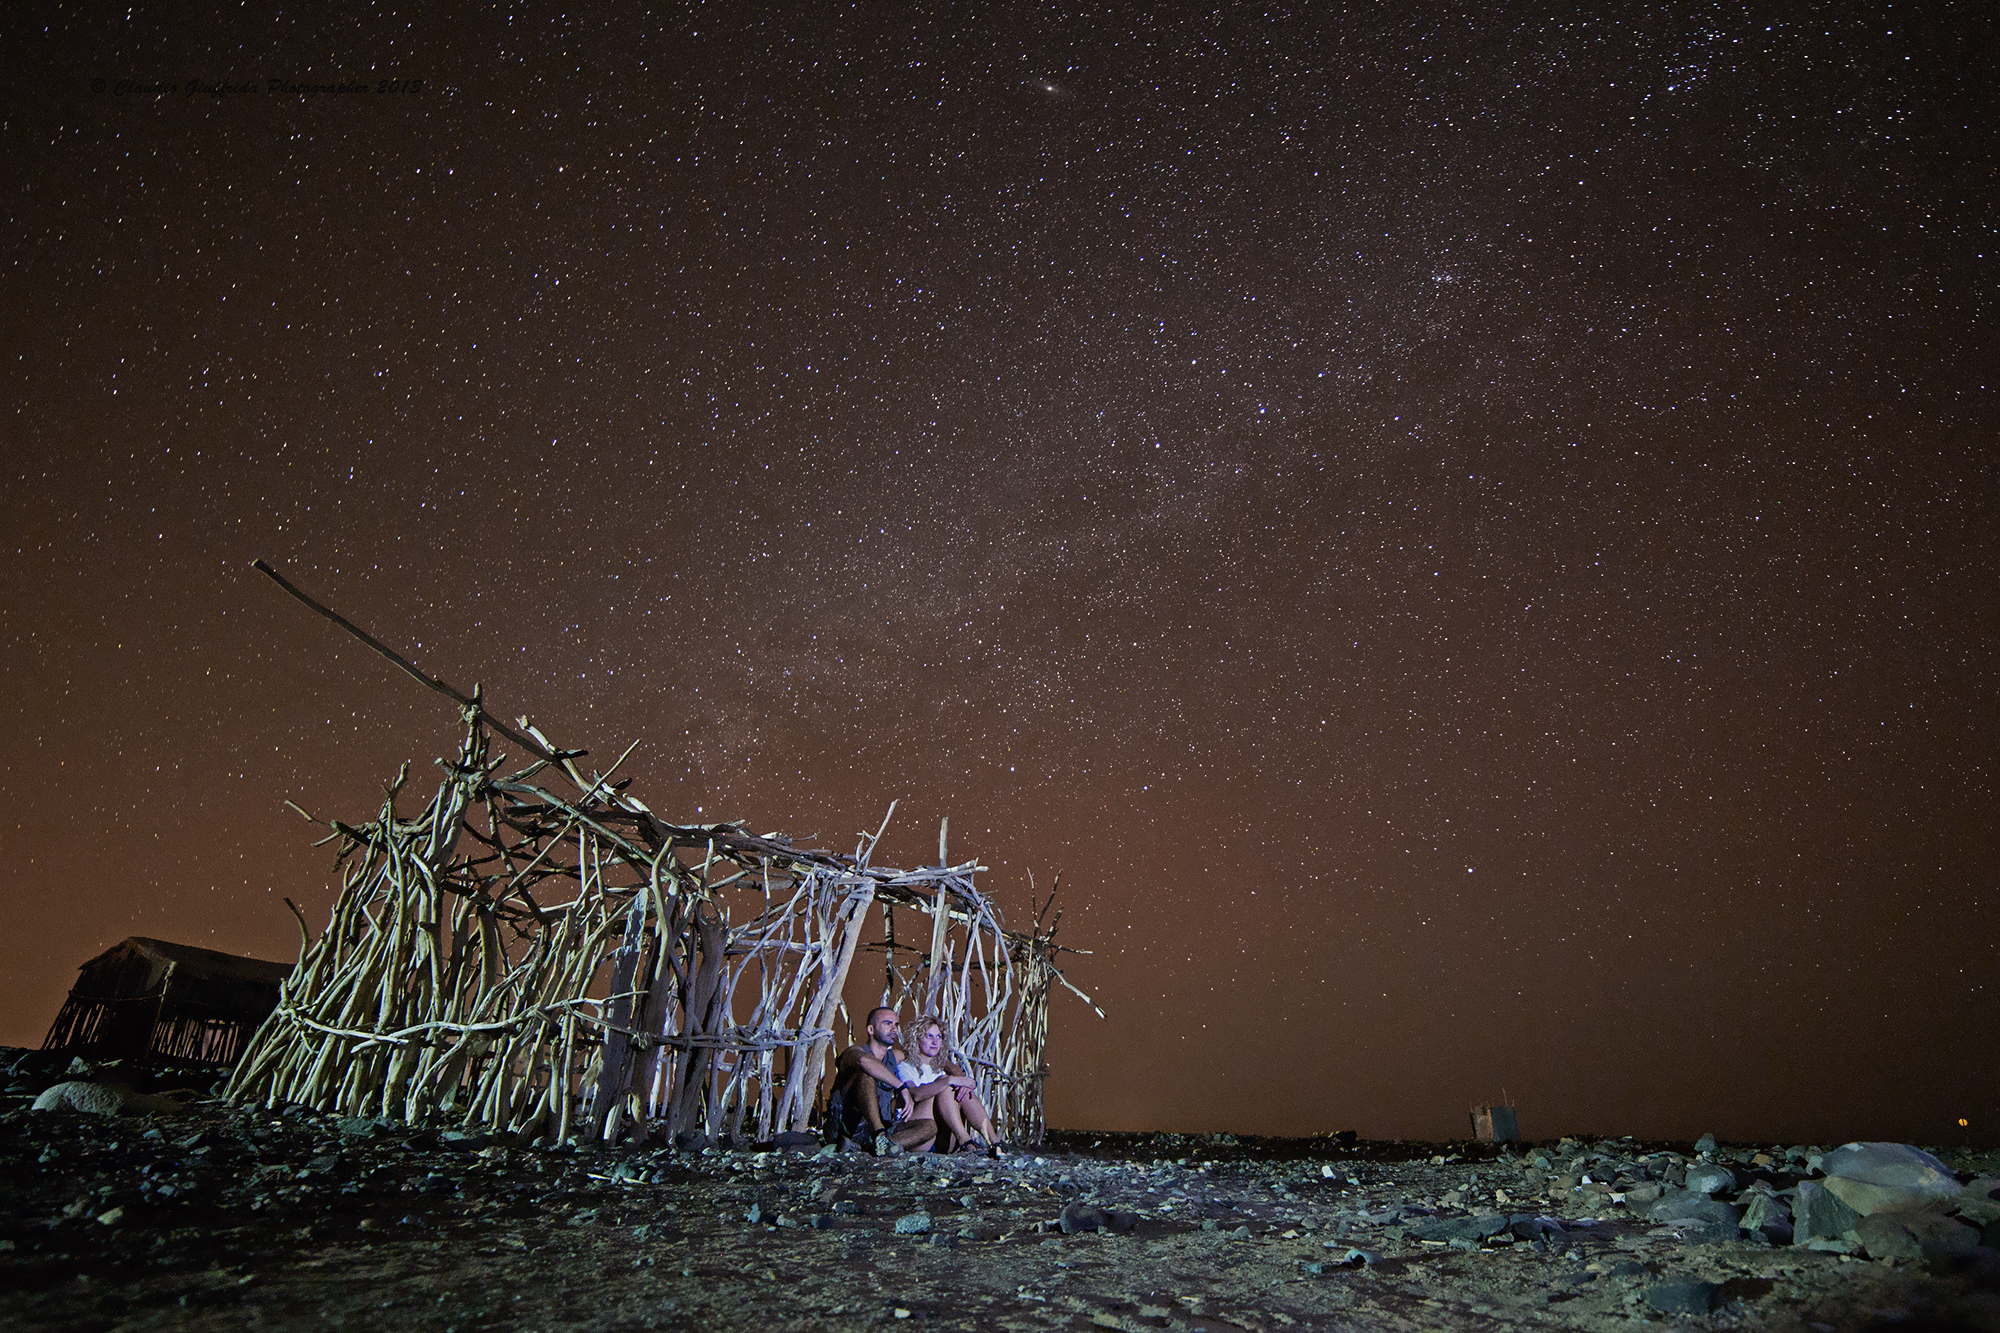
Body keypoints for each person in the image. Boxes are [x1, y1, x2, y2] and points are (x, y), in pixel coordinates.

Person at [826, 1006, 936, 1154]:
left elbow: (924, 1055)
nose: (894, 1028)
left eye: (896, 1024)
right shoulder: (854, 1053)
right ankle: (879, 1137)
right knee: (866, 1075)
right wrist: (901, 1087)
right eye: (887, 1023)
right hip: (846, 1130)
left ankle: (870, 1148)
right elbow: (865, 1062)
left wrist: (954, 1074)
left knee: (929, 1127)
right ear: (871, 1030)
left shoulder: (893, 1057)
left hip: (874, 1132)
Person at [896, 1015, 1004, 1154]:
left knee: (962, 1090)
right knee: (945, 1084)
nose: (935, 1042)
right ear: (916, 1039)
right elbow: (915, 1094)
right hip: (919, 1134)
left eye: (939, 1037)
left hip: (944, 1139)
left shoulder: (939, 1070)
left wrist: (961, 1084)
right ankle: (965, 1140)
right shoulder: (905, 1067)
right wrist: (947, 1081)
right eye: (929, 1036)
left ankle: (995, 1143)